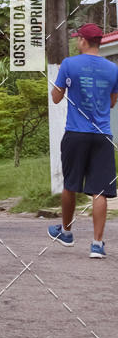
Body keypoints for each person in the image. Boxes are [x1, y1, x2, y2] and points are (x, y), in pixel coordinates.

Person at [48, 23, 118, 258]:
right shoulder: (112, 69)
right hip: (102, 135)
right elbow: (111, 102)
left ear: (84, 41)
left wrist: (64, 86)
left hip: (76, 133)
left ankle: (66, 232)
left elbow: (56, 98)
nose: (77, 41)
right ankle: (97, 244)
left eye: (78, 38)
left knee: (70, 184)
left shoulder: (69, 64)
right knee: (99, 191)